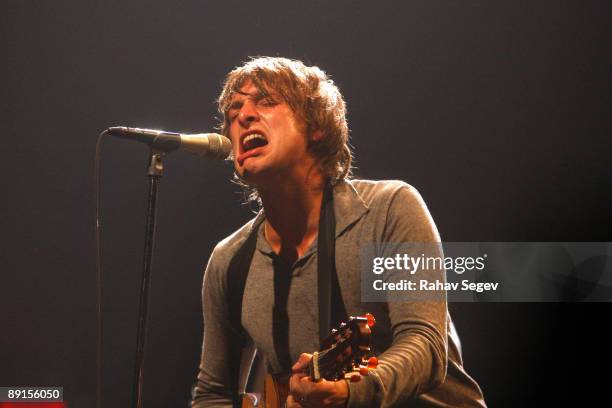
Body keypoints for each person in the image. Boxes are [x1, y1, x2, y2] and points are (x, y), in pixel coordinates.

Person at [191, 57, 486, 408]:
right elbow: (213, 395)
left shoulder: (389, 209)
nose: (243, 116)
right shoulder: (229, 261)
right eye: (233, 111)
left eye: (267, 101)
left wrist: (349, 392)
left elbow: (425, 345)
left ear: (316, 125)